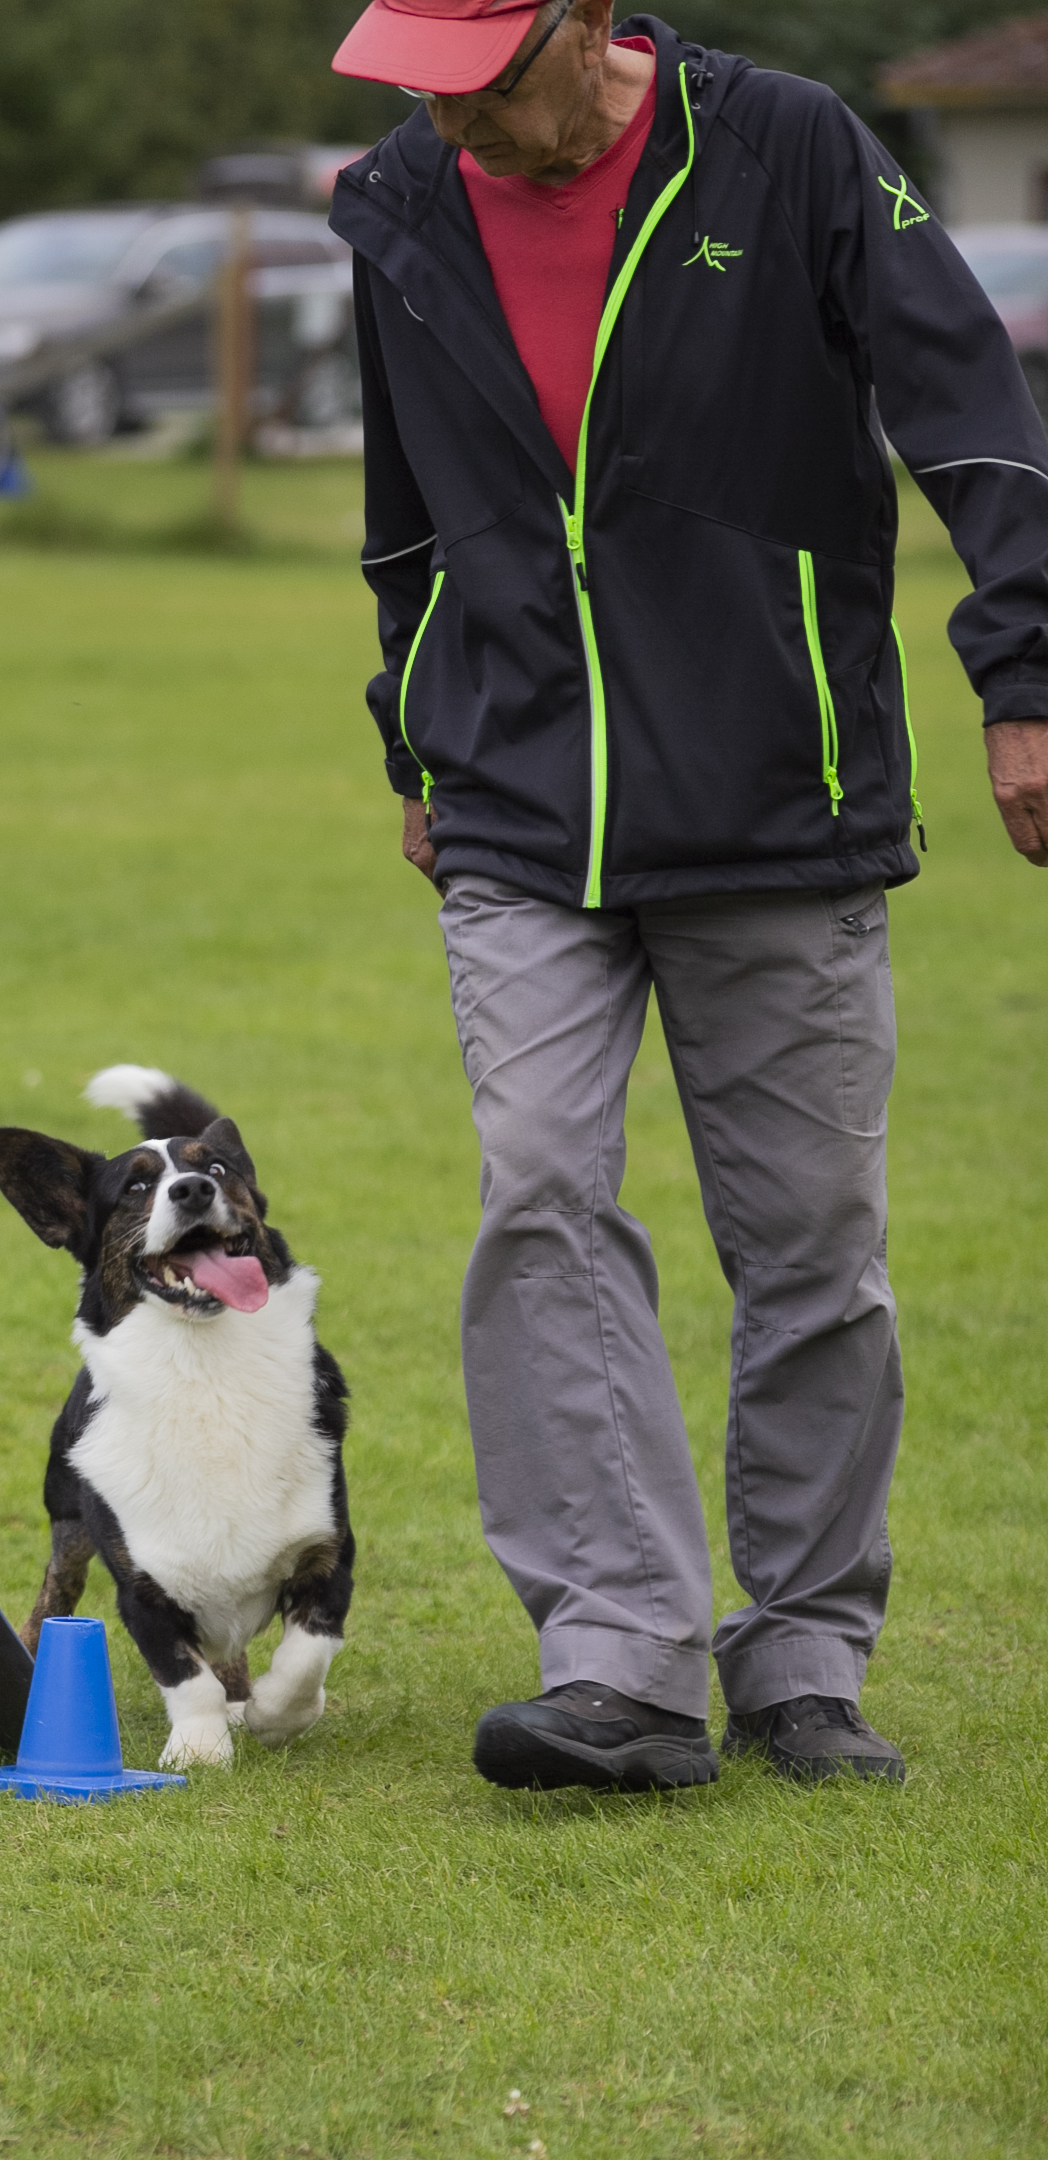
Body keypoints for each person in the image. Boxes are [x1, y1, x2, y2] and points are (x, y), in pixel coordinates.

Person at [328, 0, 1048, 1791]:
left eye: (484, 77)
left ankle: (802, 1656)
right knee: (542, 1190)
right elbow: (403, 514)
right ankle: (624, 1659)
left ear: (586, 26)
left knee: (808, 1244)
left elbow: (975, 412)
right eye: (420, 80)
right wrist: (419, 742)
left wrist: (1025, 675)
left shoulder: (792, 146)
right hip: (518, 806)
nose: (456, 119)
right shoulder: (398, 205)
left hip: (773, 793)